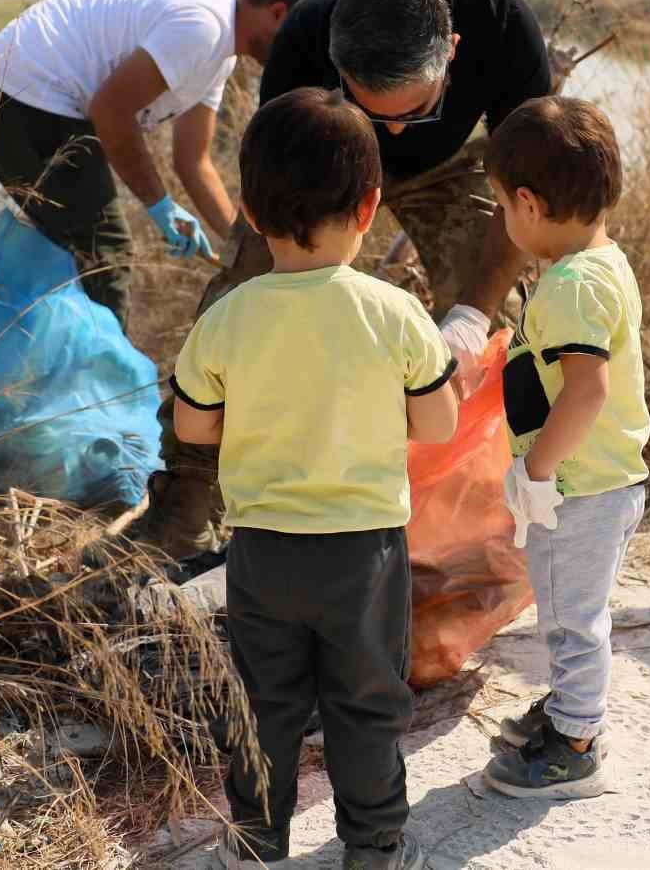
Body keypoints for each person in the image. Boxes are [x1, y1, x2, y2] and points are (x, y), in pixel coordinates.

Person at [131, 0, 552, 559]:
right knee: (240, 302)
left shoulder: (502, 26)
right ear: (337, 69)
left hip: (455, 165)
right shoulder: (302, 44)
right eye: (378, 115)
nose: (398, 134)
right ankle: (188, 501)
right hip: (329, 166)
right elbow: (281, 198)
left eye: (415, 111)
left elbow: (526, 193)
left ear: (453, 50)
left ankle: (484, 508)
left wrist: (471, 314)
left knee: (501, 323)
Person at [170, 87, 458, 870]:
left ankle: (258, 841)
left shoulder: (227, 317)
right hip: (365, 555)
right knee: (366, 707)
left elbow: (192, 427)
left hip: (262, 553)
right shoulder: (394, 311)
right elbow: (439, 424)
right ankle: (373, 847)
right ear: (371, 206)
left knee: (264, 707)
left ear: (253, 213)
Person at [0, 0, 321, 332]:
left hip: (28, 97)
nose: (292, 54)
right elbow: (111, 111)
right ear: (279, 14)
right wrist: (160, 206)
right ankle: (106, 383)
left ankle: (40, 367)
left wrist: (247, 245)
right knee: (105, 252)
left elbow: (193, 162)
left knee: (75, 251)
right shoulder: (203, 26)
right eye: (295, 40)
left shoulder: (219, 53)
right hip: (15, 92)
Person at [477, 96, 650, 799]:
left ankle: (576, 742)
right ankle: (568, 713)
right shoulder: (600, 263)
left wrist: (538, 472)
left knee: (571, 618)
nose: (505, 223)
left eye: (501, 207)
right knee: (572, 606)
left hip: (578, 487)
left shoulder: (571, 287)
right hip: (601, 480)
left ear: (528, 203)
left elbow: (586, 390)